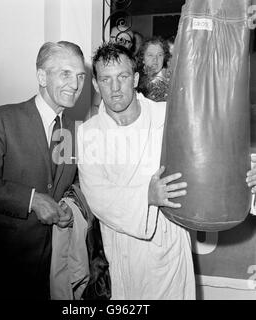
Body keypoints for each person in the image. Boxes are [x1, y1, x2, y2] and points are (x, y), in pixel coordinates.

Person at [77, 42, 256, 300]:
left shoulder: (168, 115)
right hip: (125, 251)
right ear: (96, 84)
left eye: (123, 77)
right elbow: (97, 196)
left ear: (136, 78)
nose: (115, 88)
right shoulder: (89, 134)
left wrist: (245, 174)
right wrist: (146, 196)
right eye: (106, 79)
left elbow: (213, 152)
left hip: (170, 246)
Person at [0, 41, 86, 300]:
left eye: (80, 76)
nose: (75, 85)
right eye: (65, 73)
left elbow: (74, 181)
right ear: (42, 76)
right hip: (6, 266)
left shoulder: (75, 129)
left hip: (54, 268)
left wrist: (69, 206)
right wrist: (32, 200)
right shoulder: (0, 120)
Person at [85, 25, 134, 120]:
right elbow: (95, 105)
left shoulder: (134, 69)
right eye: (116, 38)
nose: (119, 43)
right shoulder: (101, 68)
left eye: (124, 41)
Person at [137, 36, 171, 102]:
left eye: (160, 55)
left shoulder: (169, 82)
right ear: (142, 58)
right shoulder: (136, 79)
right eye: (150, 55)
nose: (155, 59)